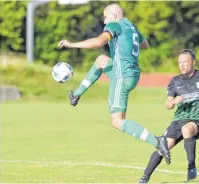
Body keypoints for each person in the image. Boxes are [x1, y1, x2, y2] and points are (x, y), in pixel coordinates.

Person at [58, 3, 170, 164]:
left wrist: (72, 44)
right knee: (101, 60)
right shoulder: (131, 26)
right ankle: (75, 95)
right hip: (132, 74)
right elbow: (145, 44)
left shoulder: (114, 25)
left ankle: (158, 142)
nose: (105, 22)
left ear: (114, 16)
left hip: (121, 76)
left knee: (117, 121)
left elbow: (98, 42)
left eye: (105, 17)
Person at [139, 49, 199, 183]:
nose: (182, 65)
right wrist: (173, 101)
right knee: (163, 146)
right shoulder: (175, 81)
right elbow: (167, 105)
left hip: (197, 121)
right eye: (180, 63)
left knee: (187, 129)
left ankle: (191, 167)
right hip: (178, 121)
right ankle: (144, 178)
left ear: (193, 62)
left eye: (185, 62)